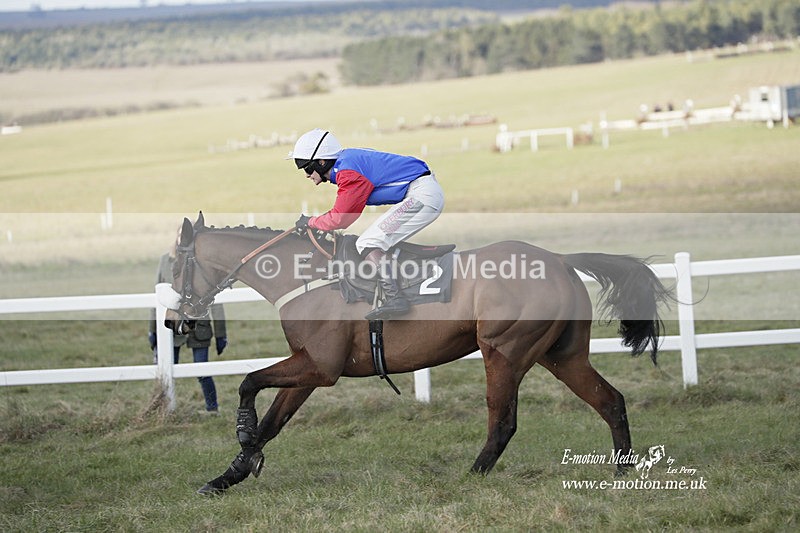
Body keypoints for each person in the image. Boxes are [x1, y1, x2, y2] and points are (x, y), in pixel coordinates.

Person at [289, 128, 445, 320]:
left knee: (368, 242)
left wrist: (311, 222)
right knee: (374, 238)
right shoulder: (345, 163)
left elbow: (341, 218)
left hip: (422, 195)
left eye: (306, 167)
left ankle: (396, 298)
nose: (306, 174)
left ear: (322, 162)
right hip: (420, 191)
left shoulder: (347, 172)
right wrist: (317, 223)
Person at [149, 250, 227, 414]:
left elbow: (216, 302)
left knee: (202, 370)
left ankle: (212, 409)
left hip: (199, 327)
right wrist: (153, 330)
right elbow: (157, 297)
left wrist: (221, 333)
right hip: (173, 325)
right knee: (167, 370)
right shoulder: (165, 260)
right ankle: (163, 410)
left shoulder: (204, 263)